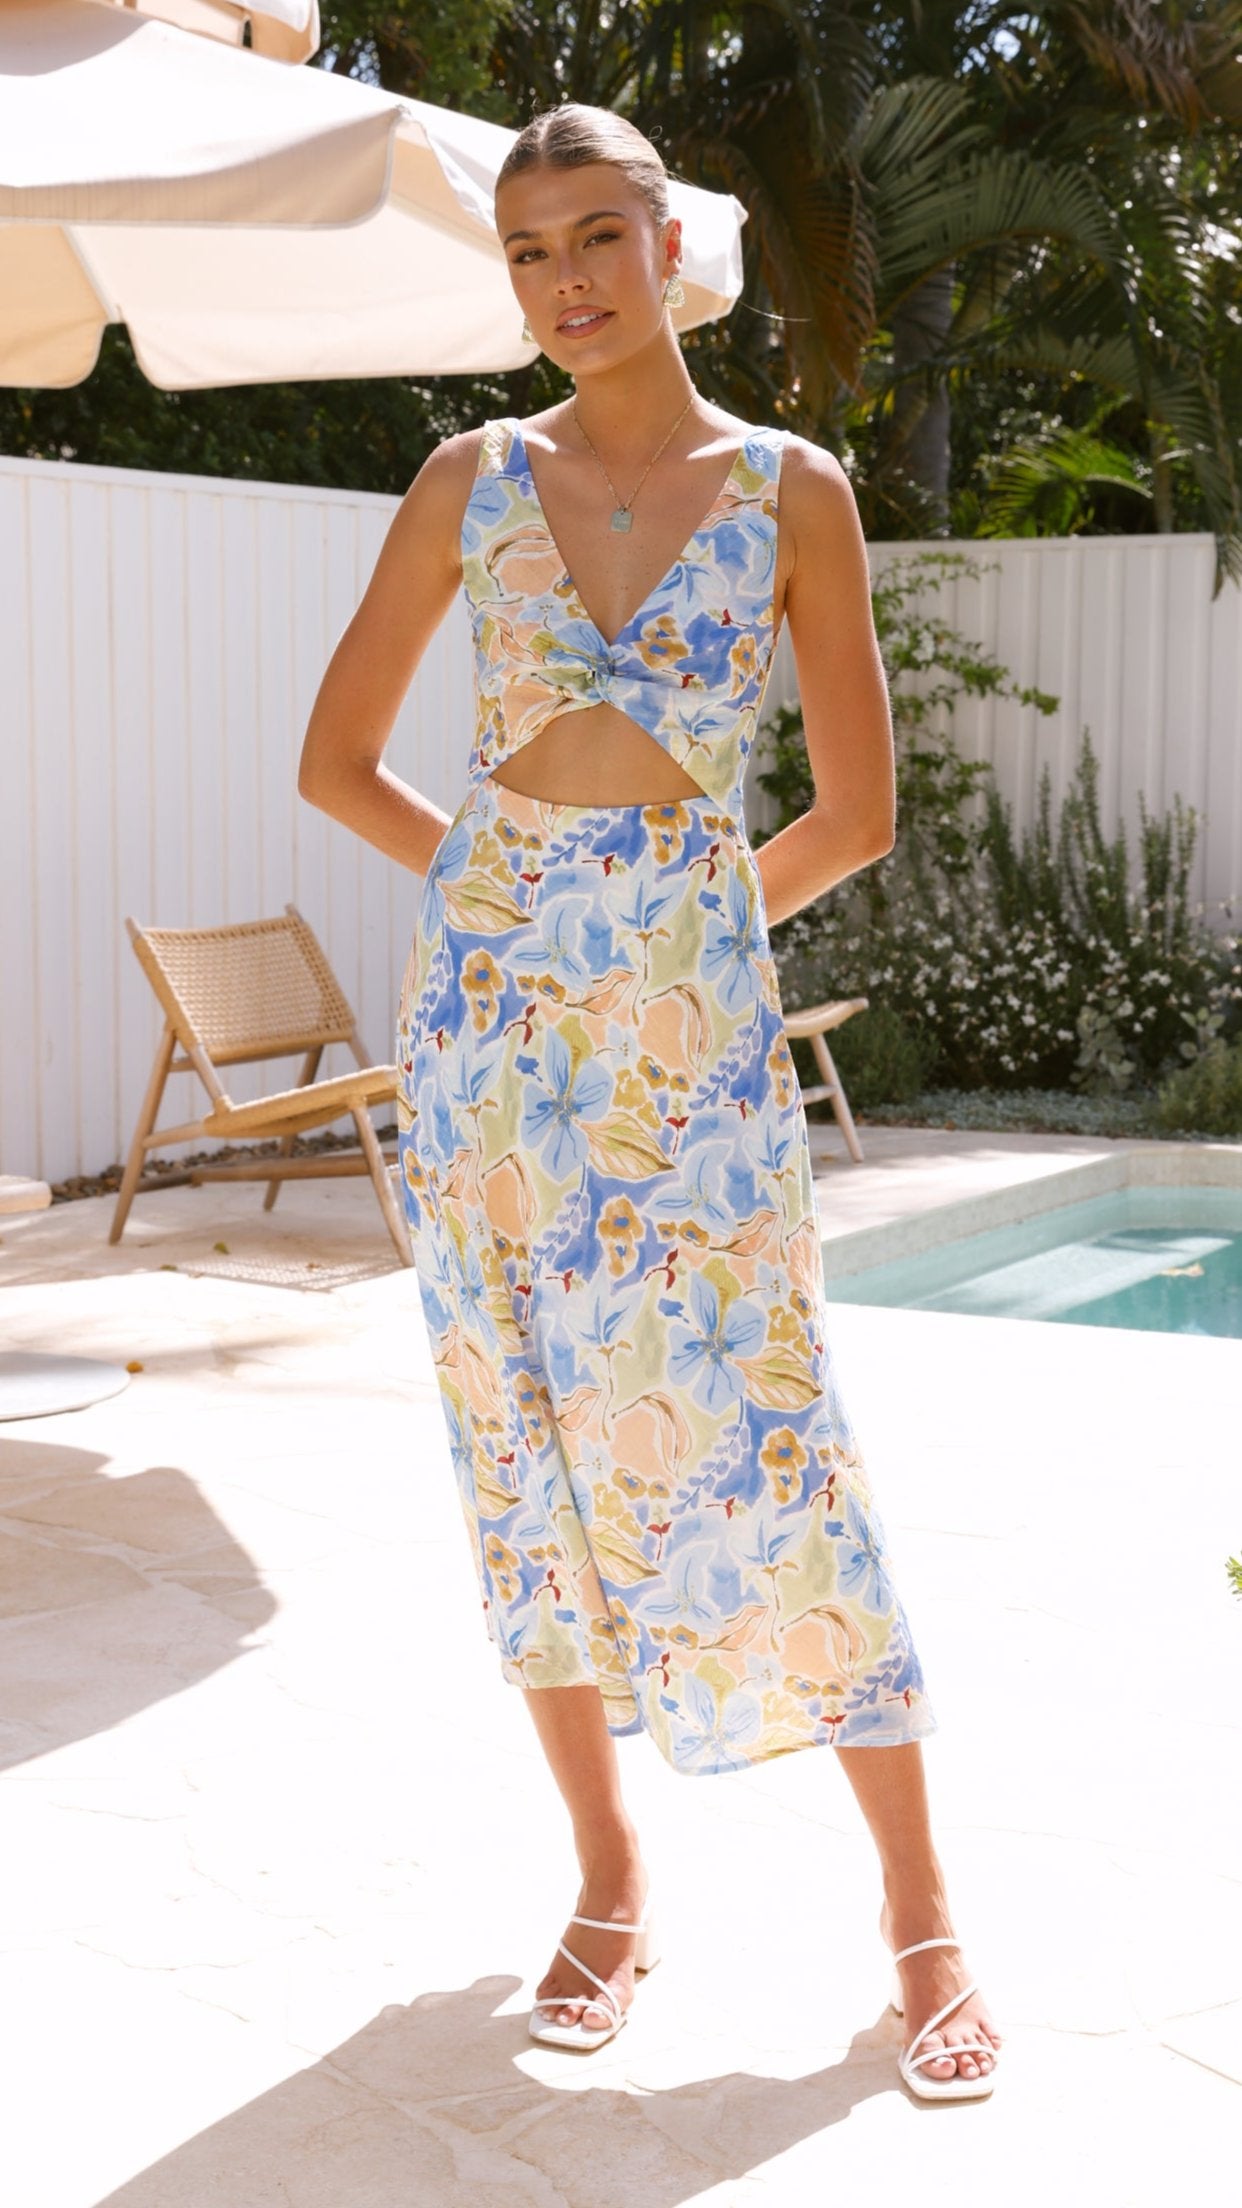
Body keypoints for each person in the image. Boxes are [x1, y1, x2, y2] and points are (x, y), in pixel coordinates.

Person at [299, 101, 1002, 2103]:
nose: (567, 281)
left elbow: (853, 810)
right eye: (529, 252)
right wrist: (511, 901)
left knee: (766, 1429)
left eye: (598, 237)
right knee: (524, 1438)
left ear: (671, 247)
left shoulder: (791, 492)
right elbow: (337, 761)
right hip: (490, 1040)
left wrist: (676, 923)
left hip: (687, 1035)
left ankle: (921, 1917)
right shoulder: (469, 480)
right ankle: (610, 1885)